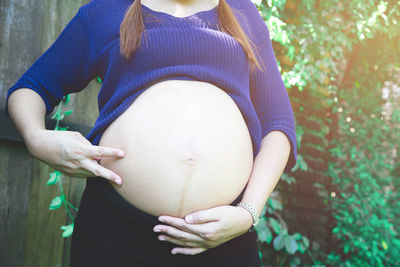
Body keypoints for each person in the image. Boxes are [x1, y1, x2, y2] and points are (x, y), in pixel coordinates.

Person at [5, 0, 297, 266]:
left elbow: (279, 125)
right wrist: (36, 139)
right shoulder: (105, 11)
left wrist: (248, 213)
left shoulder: (242, 12)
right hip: (116, 232)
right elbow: (31, 88)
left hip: (223, 236)